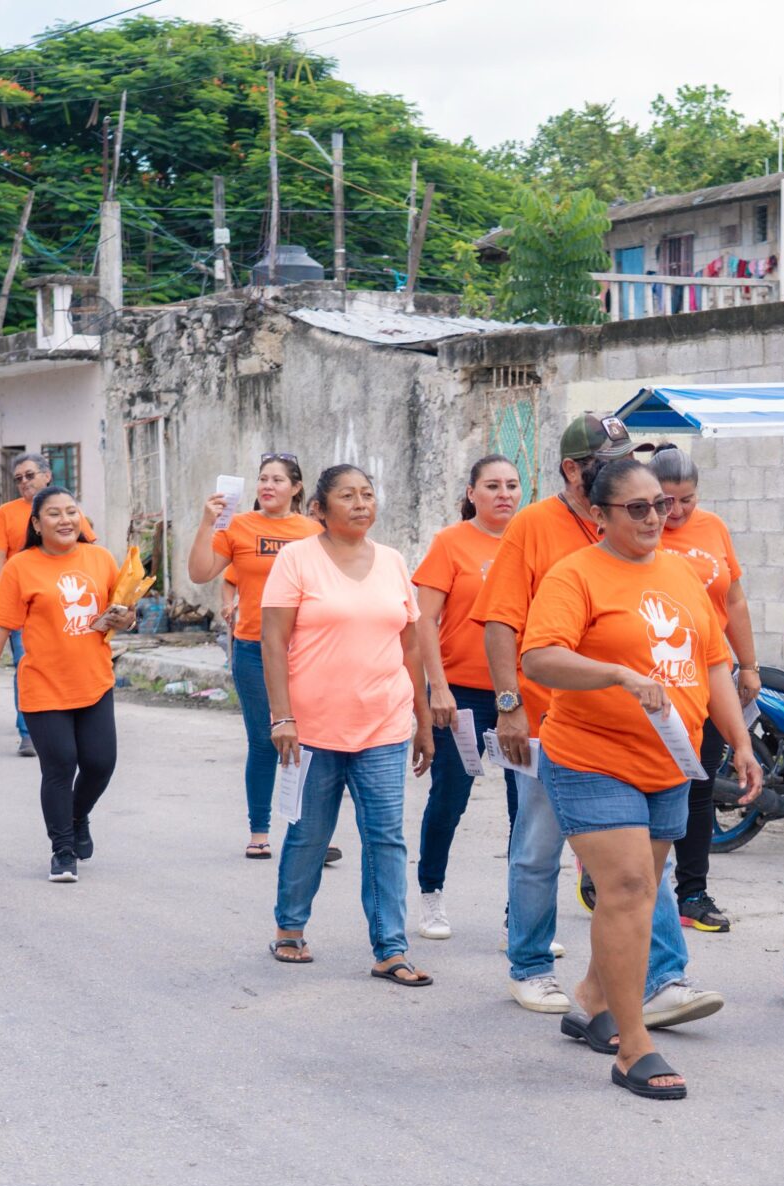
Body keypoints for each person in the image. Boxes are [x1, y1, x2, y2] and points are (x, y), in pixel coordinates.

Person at [522, 458, 763, 1099]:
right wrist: (617, 675)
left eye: (661, 504)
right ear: (599, 515)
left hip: (671, 762)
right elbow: (540, 657)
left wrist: (741, 742)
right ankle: (634, 1047)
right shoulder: (575, 575)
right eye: (638, 508)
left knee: (637, 891)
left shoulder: (680, 572)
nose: (657, 516)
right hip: (592, 758)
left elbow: (712, 663)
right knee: (628, 886)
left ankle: (593, 998)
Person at [473, 412, 720, 1025]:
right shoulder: (535, 526)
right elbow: (502, 619)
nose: (623, 474)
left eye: (627, 460)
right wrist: (509, 705)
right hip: (554, 722)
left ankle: (660, 977)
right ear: (573, 471)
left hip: (646, 736)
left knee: (640, 871)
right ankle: (531, 966)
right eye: (605, 465)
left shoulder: (643, 528)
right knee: (538, 850)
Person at [261, 464, 435, 985]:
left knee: (385, 837)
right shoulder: (296, 559)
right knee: (310, 834)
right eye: (348, 496)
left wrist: (423, 719)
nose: (361, 504)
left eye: (367, 494)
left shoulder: (393, 561)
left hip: (384, 722)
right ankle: (290, 927)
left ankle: (390, 948)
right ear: (319, 508)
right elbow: (273, 641)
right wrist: (282, 716)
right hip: (312, 728)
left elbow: (410, 645)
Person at [0, 486, 133, 882]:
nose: (65, 520)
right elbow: (0, 625)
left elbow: (124, 613)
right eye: (55, 514)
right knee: (60, 765)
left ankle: (77, 816)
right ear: (37, 524)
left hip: (94, 680)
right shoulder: (20, 567)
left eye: (71, 512)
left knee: (100, 764)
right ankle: (62, 850)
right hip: (43, 685)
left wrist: (126, 619)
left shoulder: (100, 558)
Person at [649, 443, 762, 933]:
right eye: (665, 501)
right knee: (644, 783)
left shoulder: (713, 527)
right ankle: (609, 875)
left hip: (708, 677)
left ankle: (691, 893)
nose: (675, 512)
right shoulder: (639, 529)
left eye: (687, 500)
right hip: (650, 680)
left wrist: (748, 665)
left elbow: (733, 599)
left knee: (699, 784)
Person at [411, 455, 523, 939]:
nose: (504, 494)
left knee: (527, 807)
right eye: (492, 485)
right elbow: (424, 620)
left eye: (512, 485)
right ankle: (430, 894)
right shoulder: (451, 542)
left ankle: (521, 913)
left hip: (520, 694)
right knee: (449, 798)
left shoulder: (530, 542)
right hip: (461, 695)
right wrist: (437, 687)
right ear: (472, 493)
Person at [185, 454, 318, 860]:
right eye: (263, 479)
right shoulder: (238, 526)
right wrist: (207, 523)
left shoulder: (314, 531)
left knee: (311, 741)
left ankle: (312, 829)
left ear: (296, 487)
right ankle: (259, 830)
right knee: (264, 740)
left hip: (306, 650)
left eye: (278, 479)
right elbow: (200, 573)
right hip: (253, 648)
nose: (268, 486)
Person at [0, 453, 98, 758]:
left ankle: (74, 719)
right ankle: (28, 733)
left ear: (47, 475)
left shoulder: (66, 509)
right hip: (26, 600)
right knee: (26, 662)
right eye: (18, 478)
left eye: (30, 475)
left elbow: (88, 548)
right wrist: (5, 597)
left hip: (65, 600)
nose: (24, 482)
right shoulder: (6, 513)